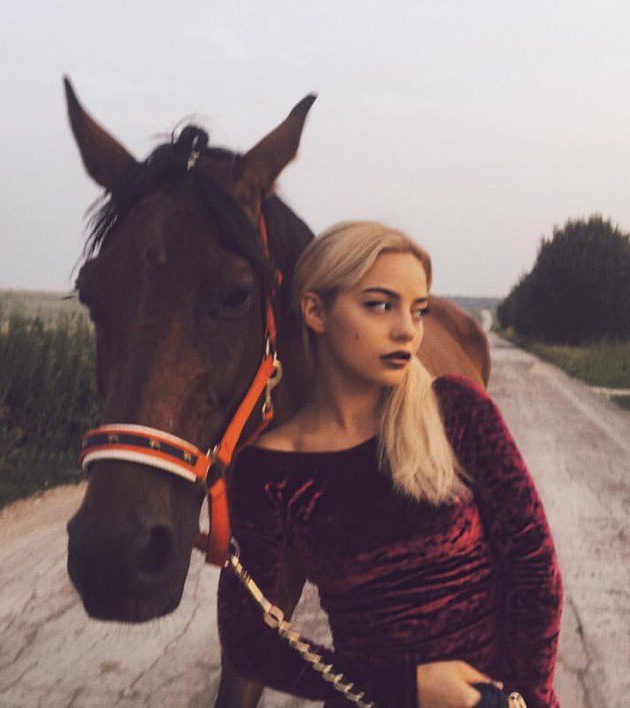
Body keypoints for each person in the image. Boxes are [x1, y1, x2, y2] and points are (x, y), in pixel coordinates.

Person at [216, 221, 563, 708]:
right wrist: (409, 689)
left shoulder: (456, 411)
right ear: (315, 311)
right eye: (381, 305)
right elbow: (248, 642)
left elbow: (536, 573)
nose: (408, 330)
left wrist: (526, 698)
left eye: (418, 311)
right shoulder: (268, 469)